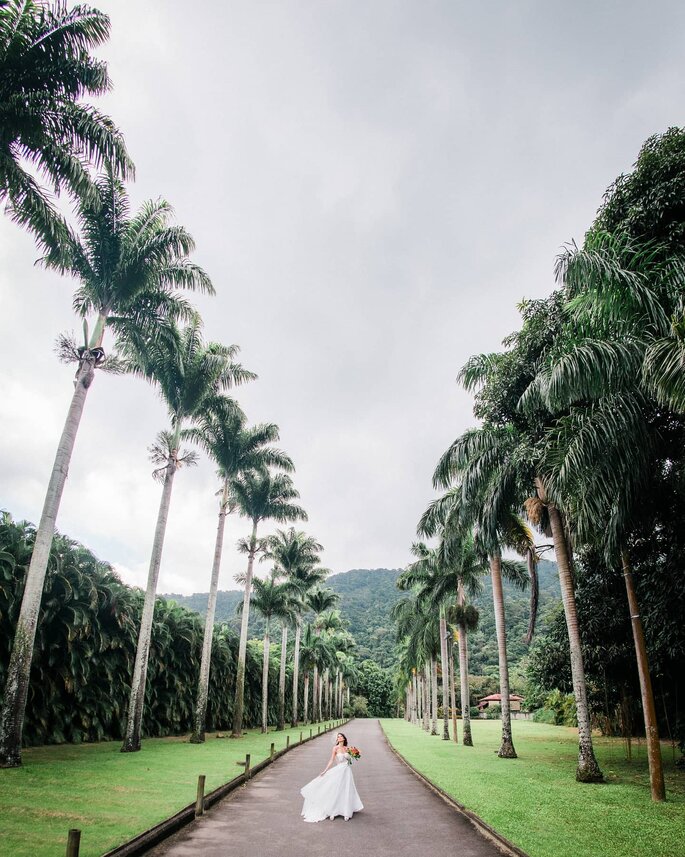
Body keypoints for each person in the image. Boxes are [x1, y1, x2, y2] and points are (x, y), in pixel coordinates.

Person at [300, 732, 363, 822]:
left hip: (347, 771)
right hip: (339, 770)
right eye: (338, 737)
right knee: (336, 790)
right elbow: (331, 760)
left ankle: (346, 811)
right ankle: (333, 811)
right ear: (337, 740)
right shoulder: (335, 748)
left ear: (344, 738)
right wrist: (325, 770)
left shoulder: (347, 748)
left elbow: (352, 759)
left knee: (346, 790)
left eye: (341, 736)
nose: (339, 738)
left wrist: (354, 754)